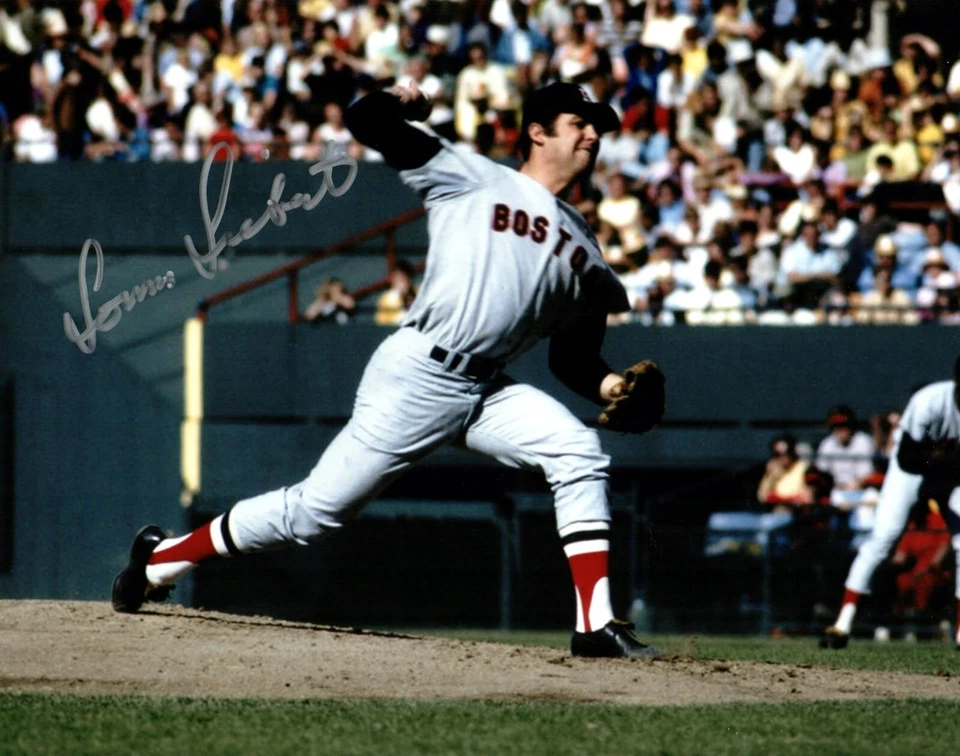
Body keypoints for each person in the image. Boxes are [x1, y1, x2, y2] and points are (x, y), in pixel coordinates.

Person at [111, 81, 665, 659]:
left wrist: (612, 385)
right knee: (313, 515)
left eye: (597, 125)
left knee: (578, 450)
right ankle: (164, 557)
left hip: (486, 389)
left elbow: (572, 359)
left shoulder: (586, 247)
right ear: (537, 131)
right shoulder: (472, 176)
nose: (594, 135)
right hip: (419, 373)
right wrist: (405, 101)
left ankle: (595, 625)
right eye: (580, 122)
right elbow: (367, 119)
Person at [821, 354, 960, 650]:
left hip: (949, 473)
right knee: (883, 539)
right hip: (909, 472)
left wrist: (945, 460)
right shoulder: (930, 401)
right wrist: (944, 458)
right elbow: (910, 458)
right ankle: (843, 622)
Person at [374, 259, 418, 325]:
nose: (400, 282)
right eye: (397, 278)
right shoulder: (386, 298)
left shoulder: (419, 293)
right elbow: (380, 321)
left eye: (403, 278)